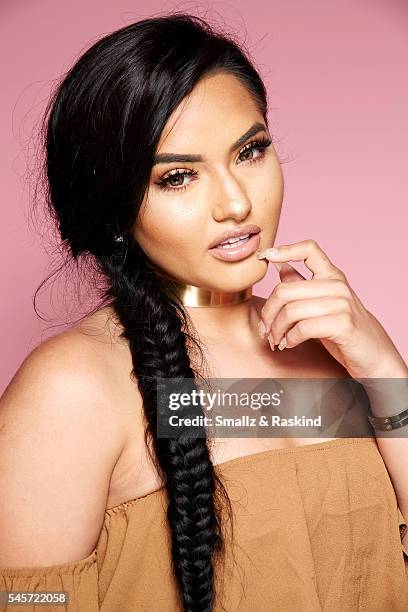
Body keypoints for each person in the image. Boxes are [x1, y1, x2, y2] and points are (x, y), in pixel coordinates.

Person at [0, 12, 407, 612]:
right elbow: (33, 603)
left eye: (251, 150)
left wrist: (384, 368)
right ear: (115, 205)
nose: (237, 202)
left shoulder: (332, 352)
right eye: (179, 177)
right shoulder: (73, 389)